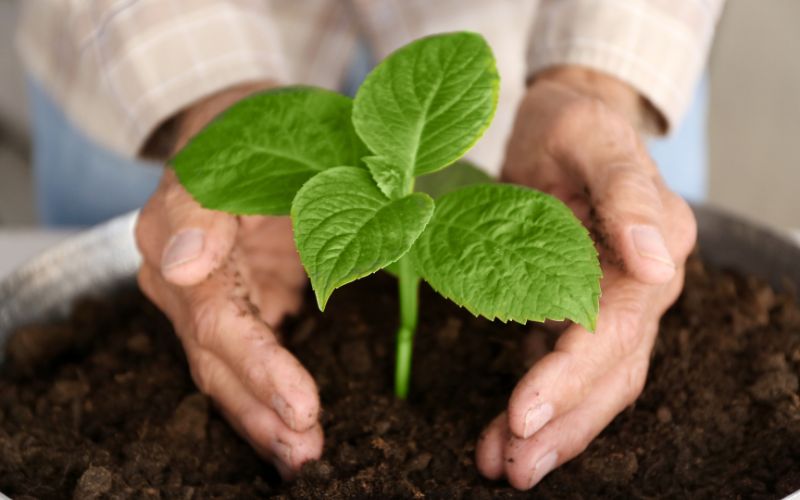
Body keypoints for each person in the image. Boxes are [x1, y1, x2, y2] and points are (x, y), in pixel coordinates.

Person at [17, 0, 724, 490]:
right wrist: (205, 91)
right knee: (177, 250)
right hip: (152, 49)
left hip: (529, 57)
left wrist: (598, 76)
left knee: (618, 252)